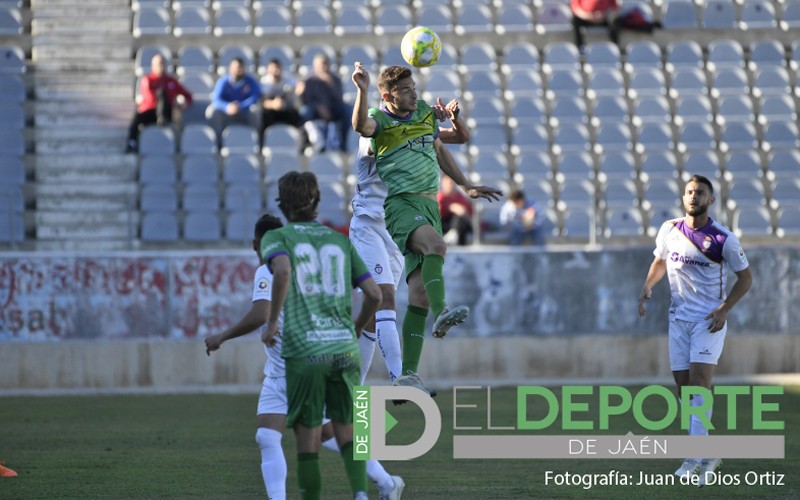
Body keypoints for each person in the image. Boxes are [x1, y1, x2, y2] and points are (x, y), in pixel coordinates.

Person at [205, 214, 403, 500]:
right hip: (283, 370)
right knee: (275, 435)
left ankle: (384, 483)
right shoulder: (313, 262)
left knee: (320, 434)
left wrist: (221, 336)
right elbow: (369, 293)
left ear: (256, 244)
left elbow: (261, 314)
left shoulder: (270, 268)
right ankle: (386, 483)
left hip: (305, 366)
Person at [351, 62, 502, 395]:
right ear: (388, 96)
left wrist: (467, 184)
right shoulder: (379, 124)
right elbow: (363, 125)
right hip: (381, 217)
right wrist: (362, 91)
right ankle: (441, 314)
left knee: (413, 296)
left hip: (420, 210)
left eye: (414, 88)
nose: (414, 93)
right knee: (402, 280)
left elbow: (448, 141)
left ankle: (407, 375)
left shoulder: (420, 114)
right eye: (405, 90)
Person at [260, 172, 382, 500]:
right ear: (316, 202)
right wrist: (356, 326)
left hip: (305, 350)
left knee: (308, 439)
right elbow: (374, 294)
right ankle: (360, 494)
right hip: (343, 348)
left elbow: (283, 271)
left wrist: (272, 323)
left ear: (283, 204)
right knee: (347, 429)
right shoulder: (340, 241)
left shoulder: (277, 238)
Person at [637, 174, 752, 486]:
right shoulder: (669, 230)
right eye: (689, 192)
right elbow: (660, 261)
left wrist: (725, 308)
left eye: (699, 192)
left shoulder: (723, 239)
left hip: (708, 321)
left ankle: (694, 458)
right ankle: (708, 450)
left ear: (710, 200)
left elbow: (746, 278)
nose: (693, 196)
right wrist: (648, 286)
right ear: (683, 197)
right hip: (678, 320)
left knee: (700, 383)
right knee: (685, 389)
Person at [350, 98, 470, 385]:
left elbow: (460, 137)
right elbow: (366, 128)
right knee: (384, 298)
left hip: (395, 226)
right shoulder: (374, 133)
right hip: (367, 224)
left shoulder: (409, 130)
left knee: (371, 317)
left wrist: (446, 120)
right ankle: (400, 378)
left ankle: (352, 387)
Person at [126, 54, 193, 153]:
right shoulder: (148, 80)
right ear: (153, 66)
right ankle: (132, 142)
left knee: (165, 97)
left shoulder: (171, 81)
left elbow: (188, 96)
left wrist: (182, 104)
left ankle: (163, 120)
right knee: (137, 116)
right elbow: (150, 98)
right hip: (151, 112)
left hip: (167, 112)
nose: (161, 67)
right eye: (158, 64)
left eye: (163, 64)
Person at [298, 54, 350, 152]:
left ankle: (344, 144)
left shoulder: (335, 79)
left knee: (346, 110)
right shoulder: (309, 80)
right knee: (304, 112)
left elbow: (339, 98)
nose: (324, 68)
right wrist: (319, 107)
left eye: (326, 65)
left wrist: (331, 85)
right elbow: (307, 100)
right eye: (321, 65)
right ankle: (305, 144)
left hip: (332, 109)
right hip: (316, 110)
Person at [209, 57, 261, 134]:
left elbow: (255, 97)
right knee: (213, 111)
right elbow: (216, 99)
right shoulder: (223, 81)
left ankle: (255, 137)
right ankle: (218, 139)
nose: (239, 70)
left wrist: (240, 106)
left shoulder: (250, 81)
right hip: (227, 111)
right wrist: (227, 106)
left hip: (243, 110)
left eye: (241, 67)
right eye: (237, 67)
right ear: (230, 68)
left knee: (255, 111)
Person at [259, 58, 303, 136]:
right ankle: (265, 139)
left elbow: (299, 85)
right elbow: (263, 102)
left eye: (277, 67)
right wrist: (273, 104)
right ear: (268, 70)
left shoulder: (288, 79)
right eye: (273, 68)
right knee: (264, 116)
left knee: (295, 114)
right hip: (272, 109)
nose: (275, 70)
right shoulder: (265, 82)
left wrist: (298, 89)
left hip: (286, 107)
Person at [437, 176, 474, 246]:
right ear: (442, 183)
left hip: (458, 226)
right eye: (448, 183)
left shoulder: (460, 197)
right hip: (443, 224)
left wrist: (462, 211)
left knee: (460, 219)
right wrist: (450, 207)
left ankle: (454, 234)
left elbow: (469, 213)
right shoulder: (440, 197)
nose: (450, 185)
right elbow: (437, 213)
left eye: (452, 183)